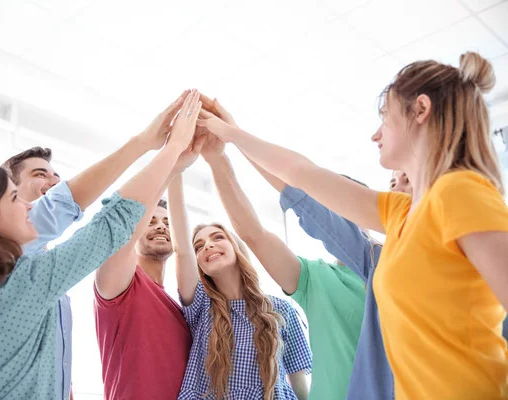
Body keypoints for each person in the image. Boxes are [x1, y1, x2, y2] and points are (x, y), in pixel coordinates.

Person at [197, 52, 508, 399]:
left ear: (420, 111)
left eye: (385, 119)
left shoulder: (460, 192)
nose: (377, 135)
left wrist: (232, 134)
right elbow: (301, 175)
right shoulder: (399, 212)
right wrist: (232, 134)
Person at [0, 89, 202, 399]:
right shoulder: (24, 286)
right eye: (14, 198)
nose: (31, 206)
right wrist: (172, 152)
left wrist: (145, 143)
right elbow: (112, 223)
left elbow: (61, 207)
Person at [0, 89, 192, 400]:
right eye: (40, 174)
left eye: (57, 176)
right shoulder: (6, 264)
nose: (56, 184)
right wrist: (164, 152)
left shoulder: (52, 275)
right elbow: (102, 220)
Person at [168, 148, 312, 399]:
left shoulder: (282, 310)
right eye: (199, 246)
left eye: (217, 237)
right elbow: (181, 249)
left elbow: (301, 387)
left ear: (236, 248)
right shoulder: (201, 306)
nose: (208, 246)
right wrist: (176, 167)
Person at [93, 90, 205, 399]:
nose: (160, 226)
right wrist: (170, 153)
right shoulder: (117, 285)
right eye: (152, 220)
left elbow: (185, 250)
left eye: (167, 223)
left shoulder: (180, 306)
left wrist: (178, 170)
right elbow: (126, 228)